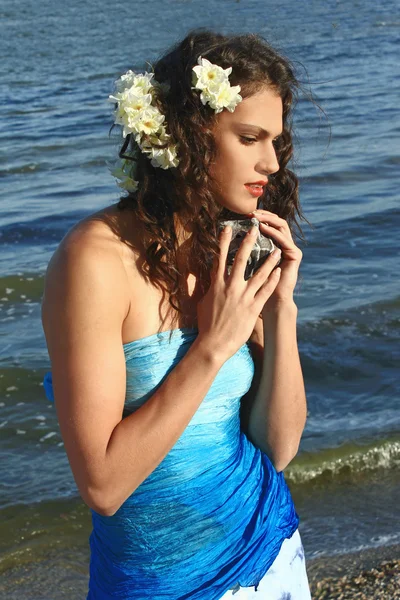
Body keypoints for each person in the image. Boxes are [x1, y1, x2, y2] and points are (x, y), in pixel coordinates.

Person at [41, 28, 312, 599]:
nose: (270, 161)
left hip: (273, 550)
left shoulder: (228, 247)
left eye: (275, 141)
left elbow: (279, 447)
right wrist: (212, 348)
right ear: (190, 135)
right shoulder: (94, 260)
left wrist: (281, 307)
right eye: (249, 137)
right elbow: (105, 485)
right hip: (162, 585)